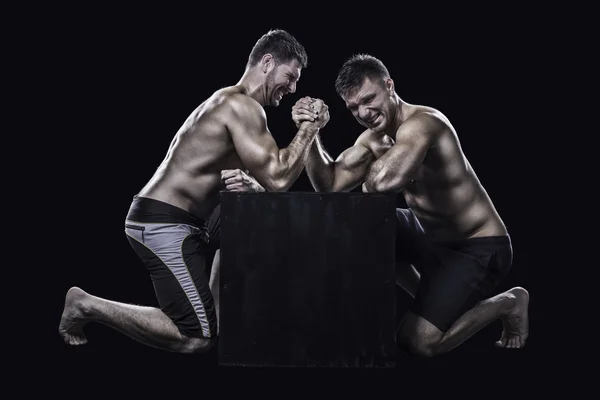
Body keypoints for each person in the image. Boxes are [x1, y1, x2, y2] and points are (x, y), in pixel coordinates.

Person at [58, 29, 328, 354]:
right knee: (195, 339)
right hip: (161, 224)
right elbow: (279, 177)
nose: (293, 87)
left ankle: (216, 312)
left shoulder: (229, 102)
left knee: (253, 211)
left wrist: (254, 188)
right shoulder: (242, 107)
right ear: (267, 62)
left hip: (188, 218)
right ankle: (85, 305)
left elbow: (250, 179)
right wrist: (310, 128)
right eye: (290, 76)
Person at [291, 54, 529, 357]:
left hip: (477, 246)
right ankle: (432, 299)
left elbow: (383, 183)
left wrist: (368, 180)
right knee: (358, 223)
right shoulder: (373, 139)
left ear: (389, 86)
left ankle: (509, 302)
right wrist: (310, 131)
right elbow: (329, 185)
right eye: (353, 108)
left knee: (418, 342)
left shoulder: (424, 123)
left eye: (369, 99)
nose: (364, 112)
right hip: (431, 238)